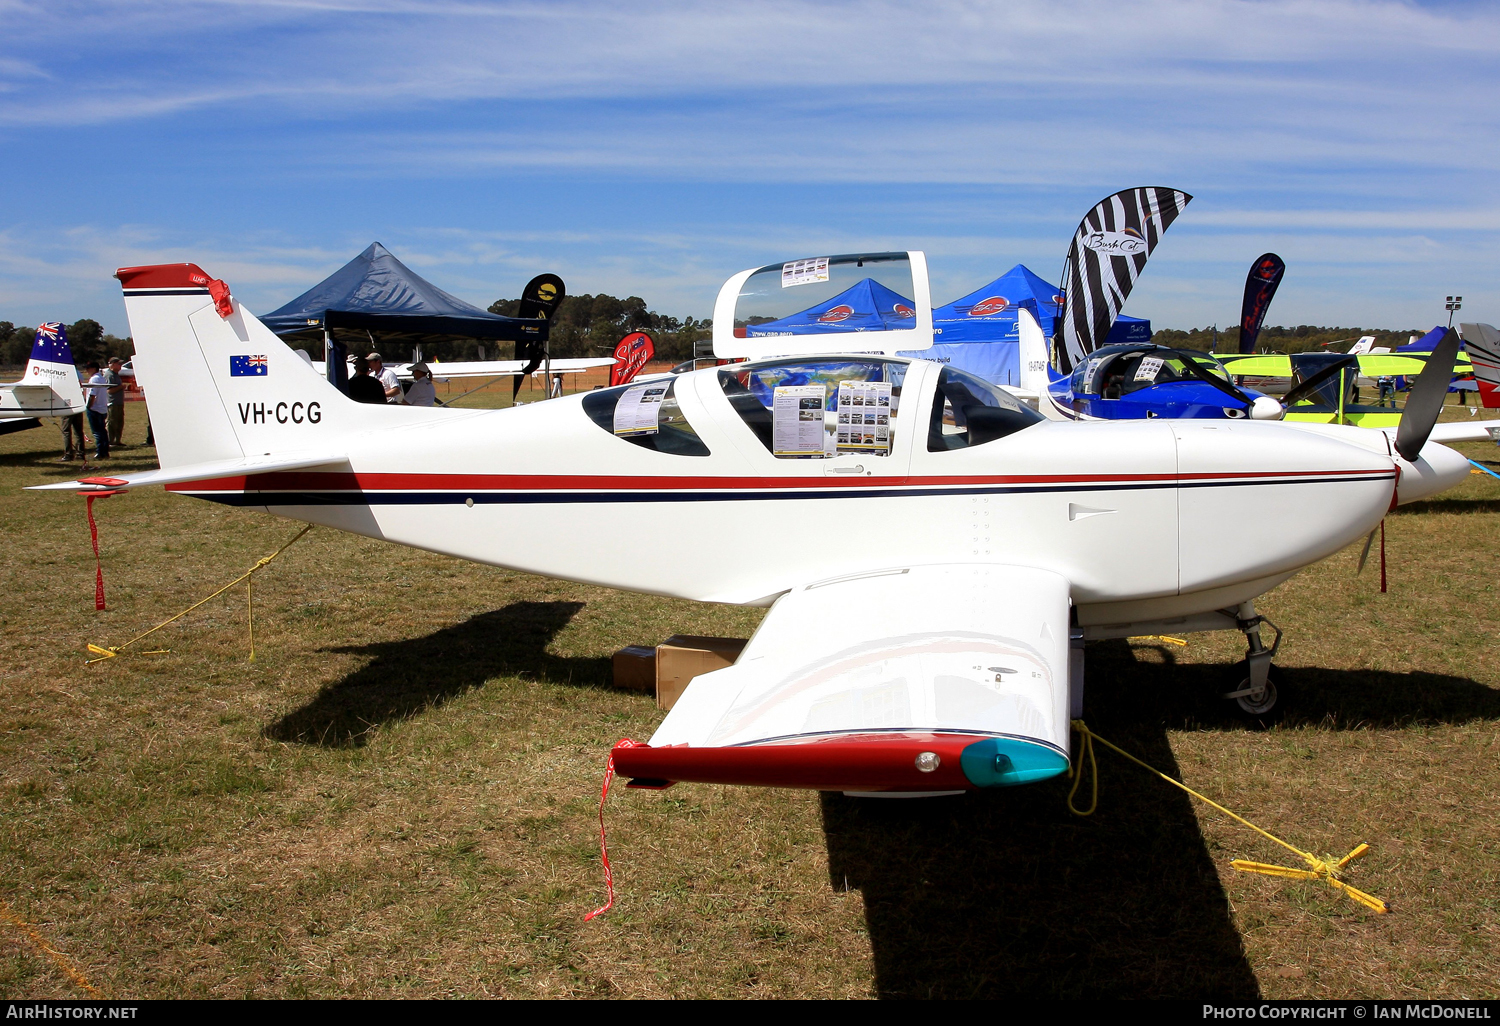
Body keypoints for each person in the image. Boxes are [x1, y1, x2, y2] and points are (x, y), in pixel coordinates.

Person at [83, 361, 110, 459]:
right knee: (102, 431)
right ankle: (105, 451)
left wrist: (89, 406)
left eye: (88, 368)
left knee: (97, 432)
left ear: (94, 368)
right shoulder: (101, 378)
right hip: (102, 408)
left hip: (95, 408)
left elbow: (92, 394)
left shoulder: (94, 379)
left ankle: (100, 452)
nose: (87, 371)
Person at [60, 365, 87, 461]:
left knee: (66, 430)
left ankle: (68, 454)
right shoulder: (78, 372)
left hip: (67, 404)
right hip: (78, 402)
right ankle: (80, 453)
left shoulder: (63, 373)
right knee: (78, 431)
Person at [105, 357, 126, 446]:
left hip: (118, 402)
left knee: (119, 422)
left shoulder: (116, 374)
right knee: (112, 422)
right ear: (112, 365)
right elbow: (109, 390)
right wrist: (121, 387)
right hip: (112, 403)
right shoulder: (109, 375)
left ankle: (117, 440)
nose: (120, 366)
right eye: (118, 364)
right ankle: (110, 440)